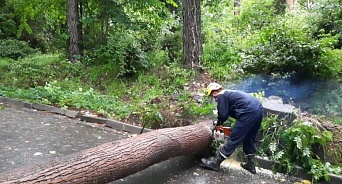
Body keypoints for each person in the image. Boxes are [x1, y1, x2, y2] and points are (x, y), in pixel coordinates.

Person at [201, 82, 264, 174]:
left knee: (235, 137)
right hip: (258, 110)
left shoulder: (221, 95)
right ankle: (251, 165)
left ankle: (216, 162)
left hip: (248, 112)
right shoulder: (229, 93)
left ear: (214, 92)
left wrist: (218, 122)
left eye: (212, 96)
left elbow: (223, 115)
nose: (214, 99)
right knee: (249, 137)